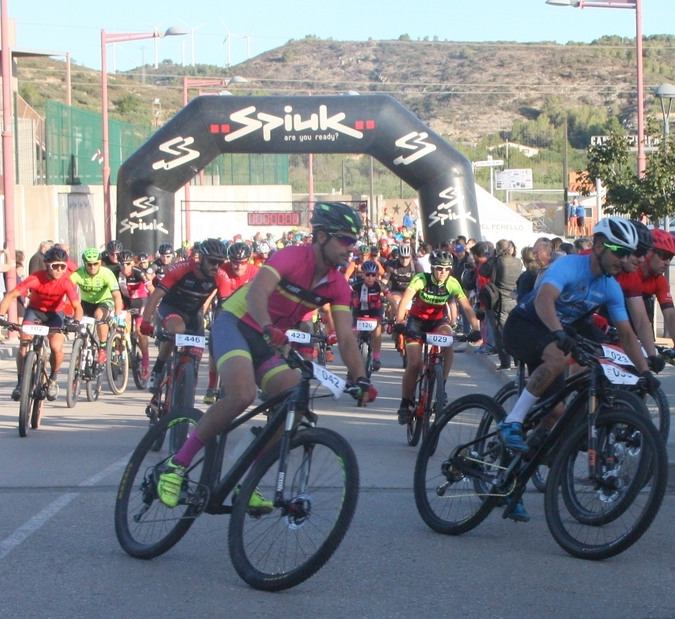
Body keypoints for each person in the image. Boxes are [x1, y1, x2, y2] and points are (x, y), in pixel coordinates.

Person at [155, 202, 376, 508]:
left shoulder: (337, 285)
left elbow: (347, 338)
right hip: (237, 323)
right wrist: (268, 327)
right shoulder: (291, 257)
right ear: (322, 236)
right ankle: (176, 465)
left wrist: (362, 378)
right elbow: (258, 292)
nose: (351, 247)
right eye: (345, 239)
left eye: (354, 241)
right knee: (241, 394)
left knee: (295, 402)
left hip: (269, 338)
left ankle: (246, 481)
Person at [495, 216, 657, 520]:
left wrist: (646, 371)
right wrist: (558, 332)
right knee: (558, 357)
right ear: (599, 246)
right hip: (525, 325)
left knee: (555, 412)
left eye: (627, 254)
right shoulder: (570, 266)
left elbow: (626, 334)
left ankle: (510, 479)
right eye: (619, 252)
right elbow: (544, 300)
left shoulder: (610, 287)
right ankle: (512, 420)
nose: (623, 260)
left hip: (555, 336)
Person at [392, 249, 479, 421]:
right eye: (439, 268)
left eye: (447, 269)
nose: (443, 272)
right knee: (414, 364)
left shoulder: (452, 282)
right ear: (432, 268)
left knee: (448, 342)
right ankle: (405, 403)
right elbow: (404, 301)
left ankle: (441, 386)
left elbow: (466, 306)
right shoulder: (421, 279)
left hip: (438, 321)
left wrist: (476, 329)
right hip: (416, 322)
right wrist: (400, 322)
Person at [139, 240, 227, 386]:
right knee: (177, 330)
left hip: (194, 315)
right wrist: (146, 321)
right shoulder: (181, 269)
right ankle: (158, 369)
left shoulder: (220, 276)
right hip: (171, 308)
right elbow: (155, 296)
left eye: (220, 262)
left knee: (195, 359)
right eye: (212, 262)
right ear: (201, 259)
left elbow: (225, 307)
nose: (216, 266)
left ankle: (186, 390)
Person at [2, 250, 82, 401]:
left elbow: (77, 306)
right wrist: (0, 316)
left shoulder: (66, 282)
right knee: (24, 343)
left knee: (56, 347)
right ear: (47, 265)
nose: (59, 270)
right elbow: (11, 295)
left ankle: (53, 380)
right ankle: (20, 383)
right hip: (35, 312)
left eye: (63, 267)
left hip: (55, 314)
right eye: (55, 266)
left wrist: (76, 322)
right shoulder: (36, 278)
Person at [619, 227, 675, 367]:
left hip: (634, 333)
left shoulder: (659, 281)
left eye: (671, 258)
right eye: (664, 256)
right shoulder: (628, 271)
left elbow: (670, 314)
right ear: (648, 253)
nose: (667, 262)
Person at [70, 248, 123, 363]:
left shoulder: (106, 273)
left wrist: (117, 315)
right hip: (86, 303)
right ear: (84, 263)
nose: (92, 267)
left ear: (100, 262)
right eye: (89, 264)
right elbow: (65, 288)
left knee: (98, 315)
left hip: (105, 300)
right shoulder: (78, 273)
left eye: (95, 264)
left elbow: (117, 295)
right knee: (77, 323)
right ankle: (79, 353)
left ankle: (103, 348)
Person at [488, 239, 523, 370]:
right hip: (515, 298)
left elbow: (484, 272)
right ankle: (518, 361)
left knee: (501, 332)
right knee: (515, 331)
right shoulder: (518, 262)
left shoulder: (496, 262)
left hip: (501, 299)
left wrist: (493, 256)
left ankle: (505, 363)